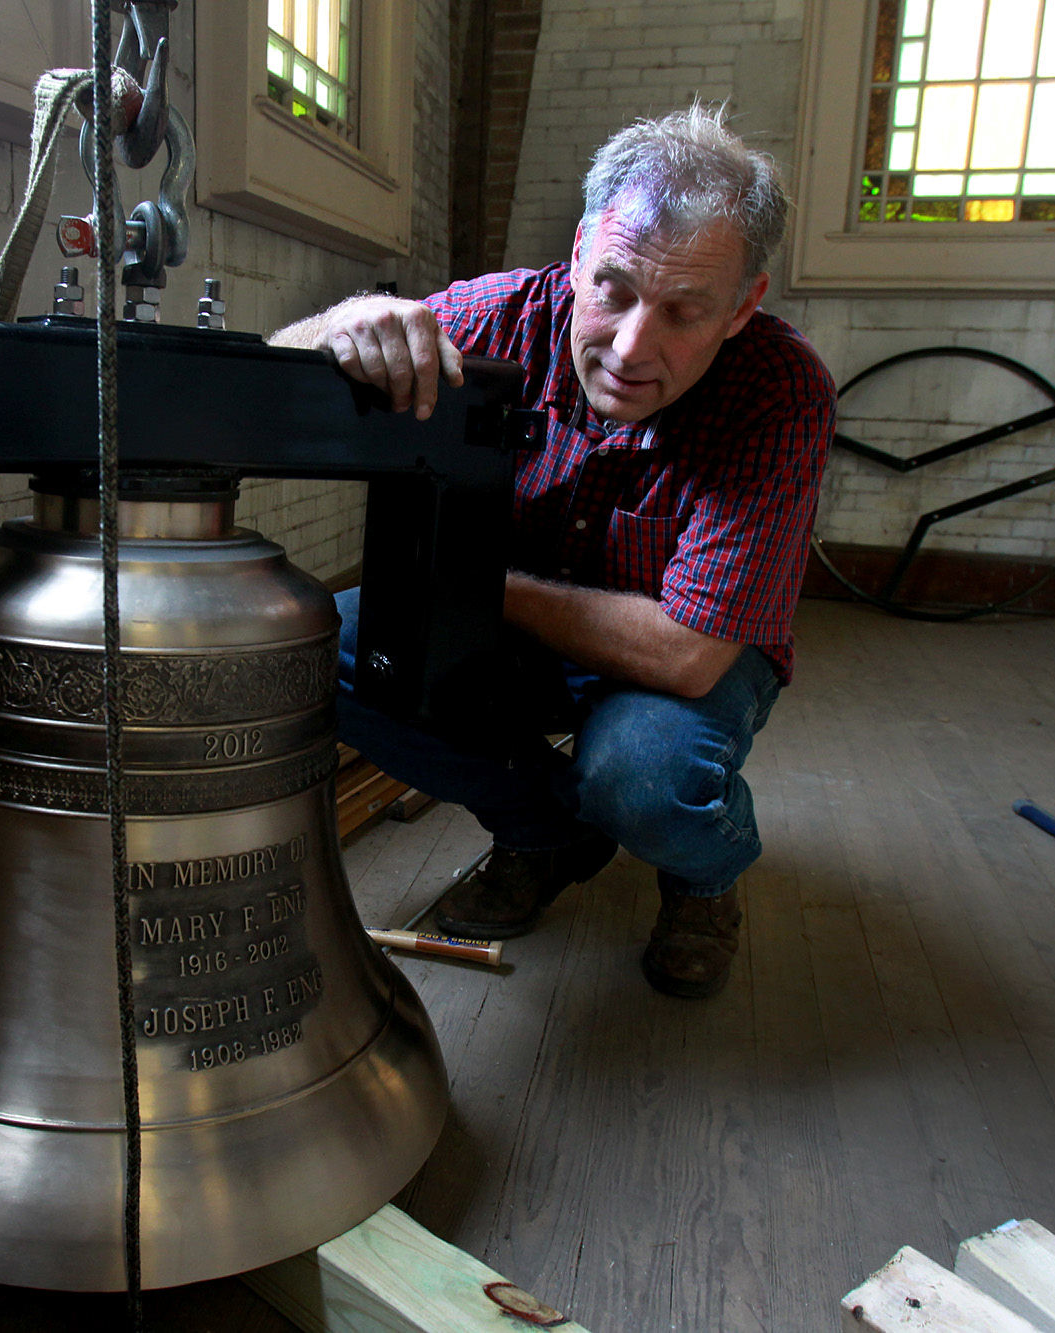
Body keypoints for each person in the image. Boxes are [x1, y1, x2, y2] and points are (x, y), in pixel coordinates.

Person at [270, 105, 835, 999]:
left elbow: (688, 656)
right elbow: (267, 380)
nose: (630, 347)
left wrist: (480, 584)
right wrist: (347, 323)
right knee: (305, 647)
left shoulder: (780, 390)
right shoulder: (494, 318)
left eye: (684, 311)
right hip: (517, 631)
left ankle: (703, 876)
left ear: (742, 307)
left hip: (681, 653)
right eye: (613, 289)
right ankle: (544, 831)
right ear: (578, 252)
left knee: (644, 779)